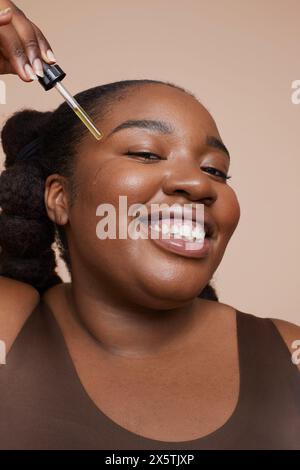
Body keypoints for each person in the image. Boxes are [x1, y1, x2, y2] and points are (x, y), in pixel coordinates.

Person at [0, 1, 300, 450]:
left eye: (216, 170)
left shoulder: (287, 354)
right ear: (59, 198)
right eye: (145, 153)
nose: (196, 183)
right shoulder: (12, 323)